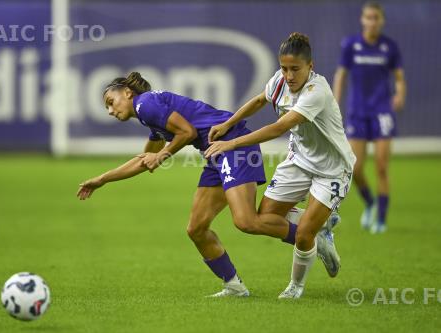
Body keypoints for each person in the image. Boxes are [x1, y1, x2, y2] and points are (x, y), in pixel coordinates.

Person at [77, 71, 340, 298]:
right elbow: (143, 161)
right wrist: (103, 179)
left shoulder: (146, 104)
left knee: (247, 221)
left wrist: (162, 154)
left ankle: (310, 234)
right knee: (196, 228)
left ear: (127, 92)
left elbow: (187, 133)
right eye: (107, 108)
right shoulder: (149, 116)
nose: (111, 111)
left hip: (232, 142)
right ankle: (234, 286)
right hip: (215, 153)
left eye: (111, 102)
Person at [205, 32, 356, 299]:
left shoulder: (316, 91)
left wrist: (232, 143)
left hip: (332, 169)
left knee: (303, 235)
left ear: (311, 66)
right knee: (264, 217)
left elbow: (279, 127)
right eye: (284, 68)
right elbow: (259, 100)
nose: (289, 75)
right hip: (299, 160)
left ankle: (295, 286)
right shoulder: (280, 80)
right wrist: (229, 122)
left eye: (295, 69)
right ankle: (321, 224)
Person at [332, 1, 406, 234]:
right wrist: (335, 102)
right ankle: (370, 202)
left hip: (382, 112)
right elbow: (341, 75)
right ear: (362, 20)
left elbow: (399, 77)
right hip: (357, 112)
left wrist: (400, 95)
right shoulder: (351, 45)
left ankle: (381, 220)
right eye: (369, 17)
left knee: (382, 167)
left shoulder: (389, 47)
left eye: (376, 18)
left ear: (381, 21)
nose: (372, 21)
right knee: (355, 168)